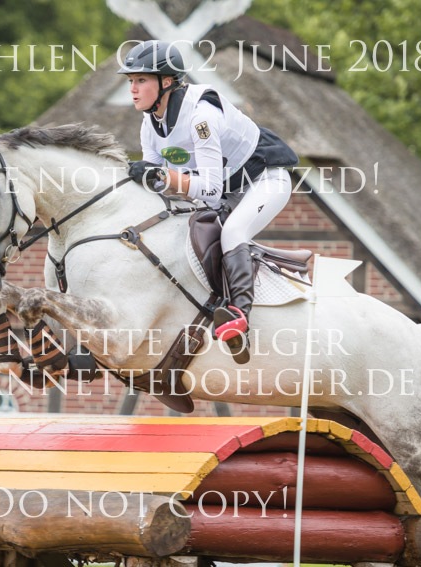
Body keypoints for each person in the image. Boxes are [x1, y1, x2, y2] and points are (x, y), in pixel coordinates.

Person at [118, 40, 298, 363]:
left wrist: (162, 175)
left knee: (233, 233)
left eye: (141, 80)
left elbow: (210, 190)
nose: (132, 89)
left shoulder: (201, 116)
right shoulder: (150, 123)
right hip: (226, 191)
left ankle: (239, 316)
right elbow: (157, 187)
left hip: (263, 182)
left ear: (167, 82)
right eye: (131, 80)